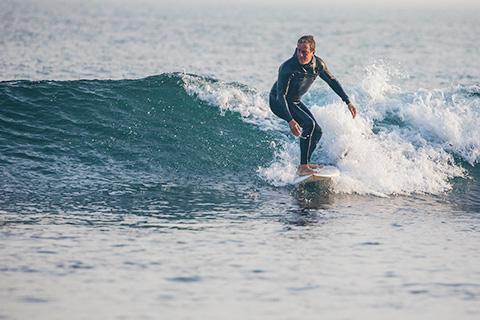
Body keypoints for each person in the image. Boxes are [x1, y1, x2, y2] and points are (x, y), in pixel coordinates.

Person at [269, 35, 357, 176]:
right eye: (298, 50)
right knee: (309, 124)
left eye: (304, 51)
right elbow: (281, 96)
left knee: (317, 132)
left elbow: (332, 81)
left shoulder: (318, 65)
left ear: (313, 53)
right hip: (278, 102)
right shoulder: (288, 67)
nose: (300, 54)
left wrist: (347, 101)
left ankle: (305, 163)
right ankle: (303, 166)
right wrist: (290, 120)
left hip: (295, 101)